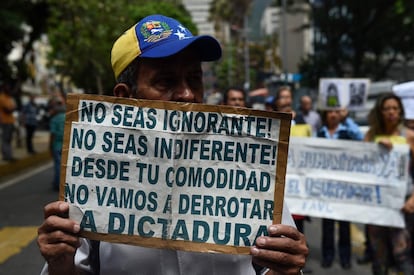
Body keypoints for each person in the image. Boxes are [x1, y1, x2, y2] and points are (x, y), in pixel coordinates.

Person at [37, 14, 308, 275]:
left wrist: (287, 267)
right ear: (125, 97)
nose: (187, 94)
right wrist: (60, 264)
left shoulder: (252, 164)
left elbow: (274, 266)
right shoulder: (93, 179)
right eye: (166, 81)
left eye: (194, 78)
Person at [364, 93, 414, 275]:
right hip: (377, 205)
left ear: (400, 111)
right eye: (387, 108)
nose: (391, 112)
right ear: (380, 111)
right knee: (379, 256)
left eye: (395, 108)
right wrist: (375, 148)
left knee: (402, 254)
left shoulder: (409, 136)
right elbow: (360, 166)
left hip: (402, 204)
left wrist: (413, 199)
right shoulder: (371, 136)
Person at [317, 108, 363, 270]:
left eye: (336, 112)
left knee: (344, 226)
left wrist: (347, 119)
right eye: (330, 112)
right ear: (325, 115)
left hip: (344, 188)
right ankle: (327, 256)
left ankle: (345, 257)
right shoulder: (320, 133)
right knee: (327, 225)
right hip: (326, 187)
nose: (333, 115)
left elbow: (361, 138)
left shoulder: (347, 132)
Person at [49, 98, 65, 191]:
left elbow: (52, 134)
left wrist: (50, 147)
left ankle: (57, 184)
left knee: (58, 165)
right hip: (66, 146)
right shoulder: (67, 117)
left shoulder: (54, 119)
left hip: (57, 146)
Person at [0, 83, 17, 161]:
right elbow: (7, 110)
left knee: (9, 140)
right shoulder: (2, 98)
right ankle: (6, 156)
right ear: (4, 89)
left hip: (10, 121)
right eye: (7, 88)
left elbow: (13, 107)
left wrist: (12, 108)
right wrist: (12, 108)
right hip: (5, 121)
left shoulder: (9, 98)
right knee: (5, 139)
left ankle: (9, 155)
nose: (9, 89)